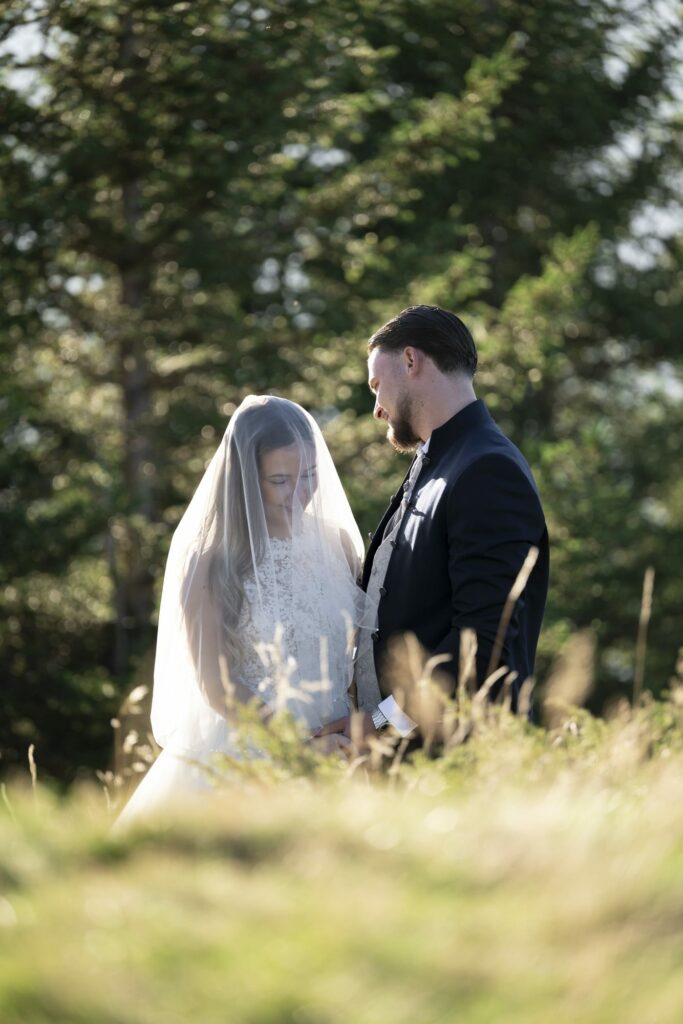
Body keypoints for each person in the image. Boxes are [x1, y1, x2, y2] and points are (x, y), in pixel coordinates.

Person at [115, 396, 365, 826]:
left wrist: (357, 729)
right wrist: (297, 747)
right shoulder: (211, 564)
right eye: (281, 480)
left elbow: (357, 658)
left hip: (338, 750)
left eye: (309, 475)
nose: (300, 494)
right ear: (247, 480)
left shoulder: (338, 545)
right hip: (249, 753)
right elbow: (217, 686)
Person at [317, 304, 549, 745]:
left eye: (376, 385)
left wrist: (383, 724)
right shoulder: (443, 461)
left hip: (458, 766)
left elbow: (482, 643)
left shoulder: (487, 469)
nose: (377, 409)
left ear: (410, 360)